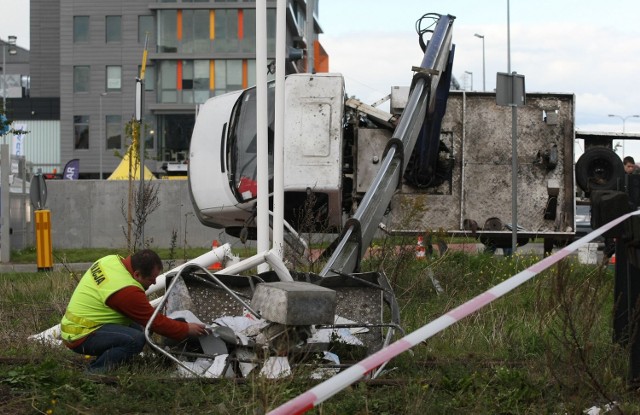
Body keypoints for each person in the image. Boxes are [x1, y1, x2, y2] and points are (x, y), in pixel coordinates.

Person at [60, 249, 208, 373]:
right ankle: (94, 373)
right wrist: (186, 329)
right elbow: (155, 323)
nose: (155, 283)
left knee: (139, 329)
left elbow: (146, 318)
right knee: (135, 339)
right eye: (152, 279)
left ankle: (119, 359)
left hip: (76, 325)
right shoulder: (126, 291)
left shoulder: (110, 260)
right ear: (137, 274)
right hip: (79, 336)